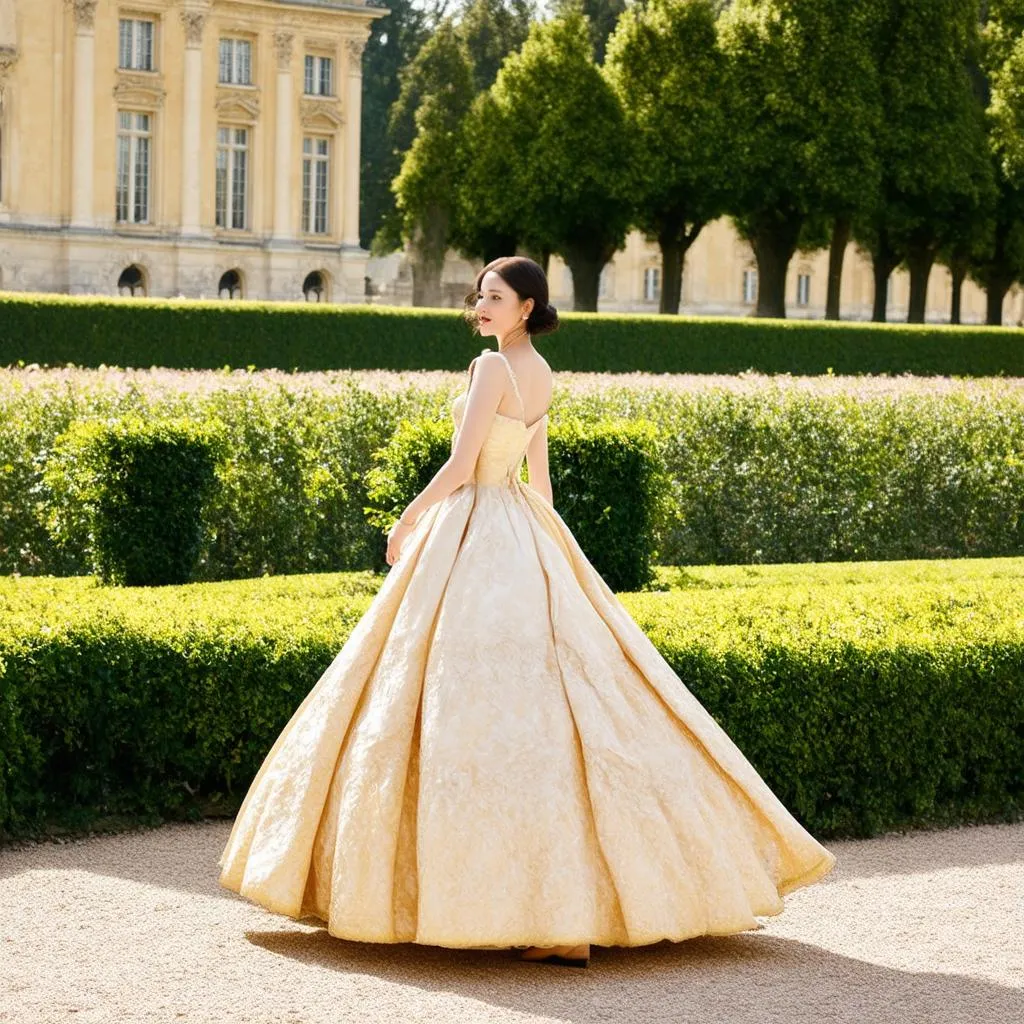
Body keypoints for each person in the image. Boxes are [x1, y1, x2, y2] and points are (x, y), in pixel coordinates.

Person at [218, 256, 836, 969]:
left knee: (447, 702)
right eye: (479, 296)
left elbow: (461, 465)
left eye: (495, 297)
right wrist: (548, 555)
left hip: (475, 520)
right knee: (560, 703)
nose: (481, 306)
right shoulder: (541, 374)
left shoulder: (490, 370)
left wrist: (406, 520)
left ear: (526, 306)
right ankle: (565, 917)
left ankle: (492, 903)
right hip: (521, 526)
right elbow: (539, 483)